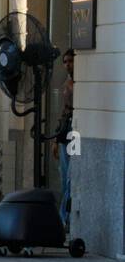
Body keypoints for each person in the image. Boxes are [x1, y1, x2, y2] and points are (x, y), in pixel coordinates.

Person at [56, 49, 75, 228]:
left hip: (75, 130)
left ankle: (64, 216)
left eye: (71, 61)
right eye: (65, 61)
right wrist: (56, 139)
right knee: (64, 174)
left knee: (71, 175)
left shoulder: (79, 82)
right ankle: (64, 215)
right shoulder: (66, 82)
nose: (68, 64)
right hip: (64, 130)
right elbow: (63, 110)